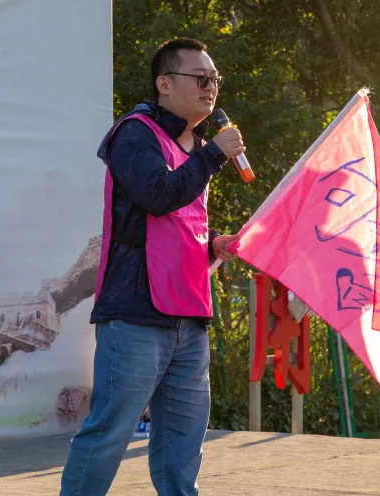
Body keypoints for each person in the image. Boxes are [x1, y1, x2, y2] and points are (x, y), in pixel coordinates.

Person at [59, 38, 244, 496]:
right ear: (164, 83)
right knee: (109, 433)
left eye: (214, 79)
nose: (210, 87)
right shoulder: (134, 133)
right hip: (136, 312)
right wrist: (213, 156)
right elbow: (156, 195)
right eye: (200, 78)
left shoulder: (196, 146)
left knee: (183, 444)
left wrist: (214, 245)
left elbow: (176, 229)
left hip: (189, 314)